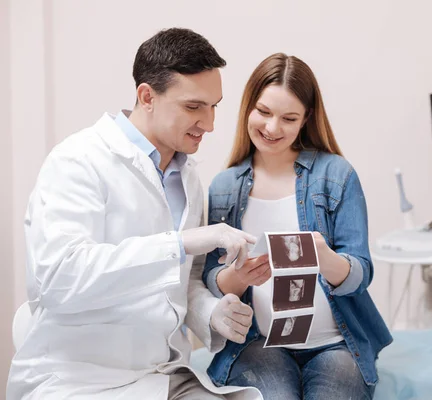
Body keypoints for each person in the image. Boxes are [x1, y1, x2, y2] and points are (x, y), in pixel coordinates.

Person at [7, 28, 261, 400]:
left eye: (214, 106)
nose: (209, 124)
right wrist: (178, 243)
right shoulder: (77, 161)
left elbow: (180, 282)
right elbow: (60, 278)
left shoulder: (186, 178)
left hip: (160, 373)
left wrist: (210, 313)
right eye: (194, 107)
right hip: (77, 379)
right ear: (147, 96)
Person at [202, 53, 393, 400]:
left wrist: (325, 259)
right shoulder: (224, 187)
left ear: (306, 119)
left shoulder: (337, 175)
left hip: (335, 345)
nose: (273, 128)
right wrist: (239, 276)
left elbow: (361, 273)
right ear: (248, 107)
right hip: (257, 344)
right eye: (264, 112)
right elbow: (212, 278)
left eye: (289, 118)